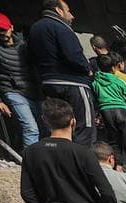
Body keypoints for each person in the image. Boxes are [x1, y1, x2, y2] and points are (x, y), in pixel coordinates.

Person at [29, 0, 97, 146]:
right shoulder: (61, 27)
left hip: (49, 83)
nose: (72, 16)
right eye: (69, 11)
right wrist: (87, 68)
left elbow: (32, 57)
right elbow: (73, 54)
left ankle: (62, 162)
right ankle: (82, 163)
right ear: (59, 11)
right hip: (72, 83)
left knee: (58, 127)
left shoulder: (35, 29)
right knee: (83, 127)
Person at [0, 12, 40, 148]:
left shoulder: (23, 45)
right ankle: (30, 163)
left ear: (11, 27)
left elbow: (33, 66)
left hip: (33, 90)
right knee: (31, 128)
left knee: (43, 126)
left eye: (4, 29)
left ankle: (43, 158)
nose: (2, 32)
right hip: (12, 91)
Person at [92, 53, 126, 171]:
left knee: (114, 141)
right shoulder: (118, 80)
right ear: (113, 67)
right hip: (121, 110)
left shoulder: (95, 82)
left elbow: (95, 98)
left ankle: (118, 165)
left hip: (106, 112)